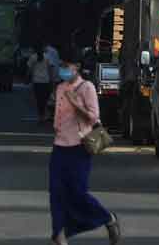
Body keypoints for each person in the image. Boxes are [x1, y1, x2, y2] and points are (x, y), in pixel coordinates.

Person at [49, 48, 121, 245]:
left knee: (78, 193)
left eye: (66, 66)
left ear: (77, 67)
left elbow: (93, 117)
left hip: (80, 147)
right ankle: (59, 235)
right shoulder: (60, 88)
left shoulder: (87, 87)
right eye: (61, 66)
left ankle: (107, 218)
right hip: (59, 146)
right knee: (56, 192)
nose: (63, 69)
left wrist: (76, 104)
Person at [29, 45, 56, 123]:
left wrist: (28, 77)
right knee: (45, 99)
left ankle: (41, 116)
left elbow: (29, 69)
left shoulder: (33, 57)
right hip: (46, 82)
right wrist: (52, 80)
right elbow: (51, 69)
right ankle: (44, 115)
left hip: (36, 81)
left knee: (38, 100)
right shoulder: (47, 57)